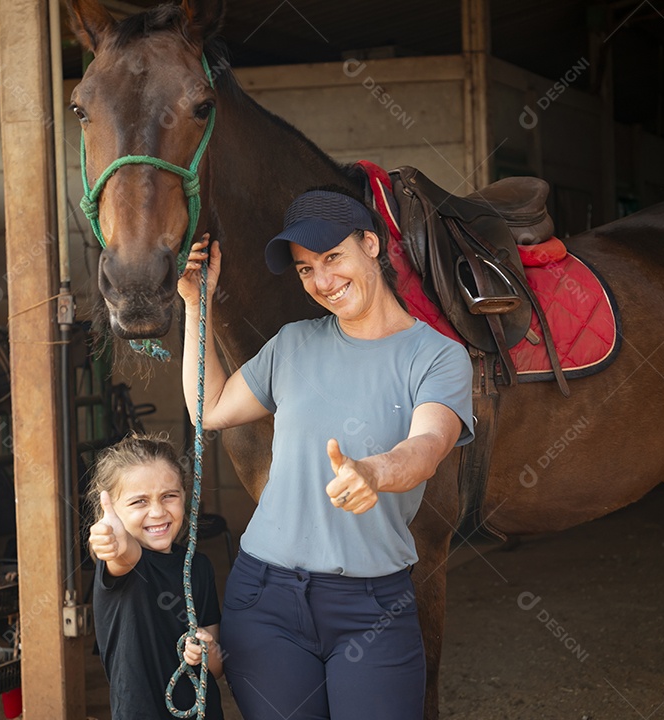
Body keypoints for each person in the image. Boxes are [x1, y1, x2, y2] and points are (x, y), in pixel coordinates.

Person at [177, 188, 474, 720]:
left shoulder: (437, 356)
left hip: (371, 607)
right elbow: (210, 407)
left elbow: (427, 448)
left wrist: (374, 471)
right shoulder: (293, 344)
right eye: (305, 269)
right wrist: (197, 305)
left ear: (371, 244)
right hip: (263, 597)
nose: (322, 281)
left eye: (333, 257)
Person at [88, 433, 225, 720]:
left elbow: (217, 667)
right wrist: (110, 542)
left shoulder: (198, 567)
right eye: (139, 502)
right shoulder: (125, 564)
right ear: (110, 509)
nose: (157, 511)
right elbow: (121, 554)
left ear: (184, 496)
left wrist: (205, 649)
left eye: (169, 496)